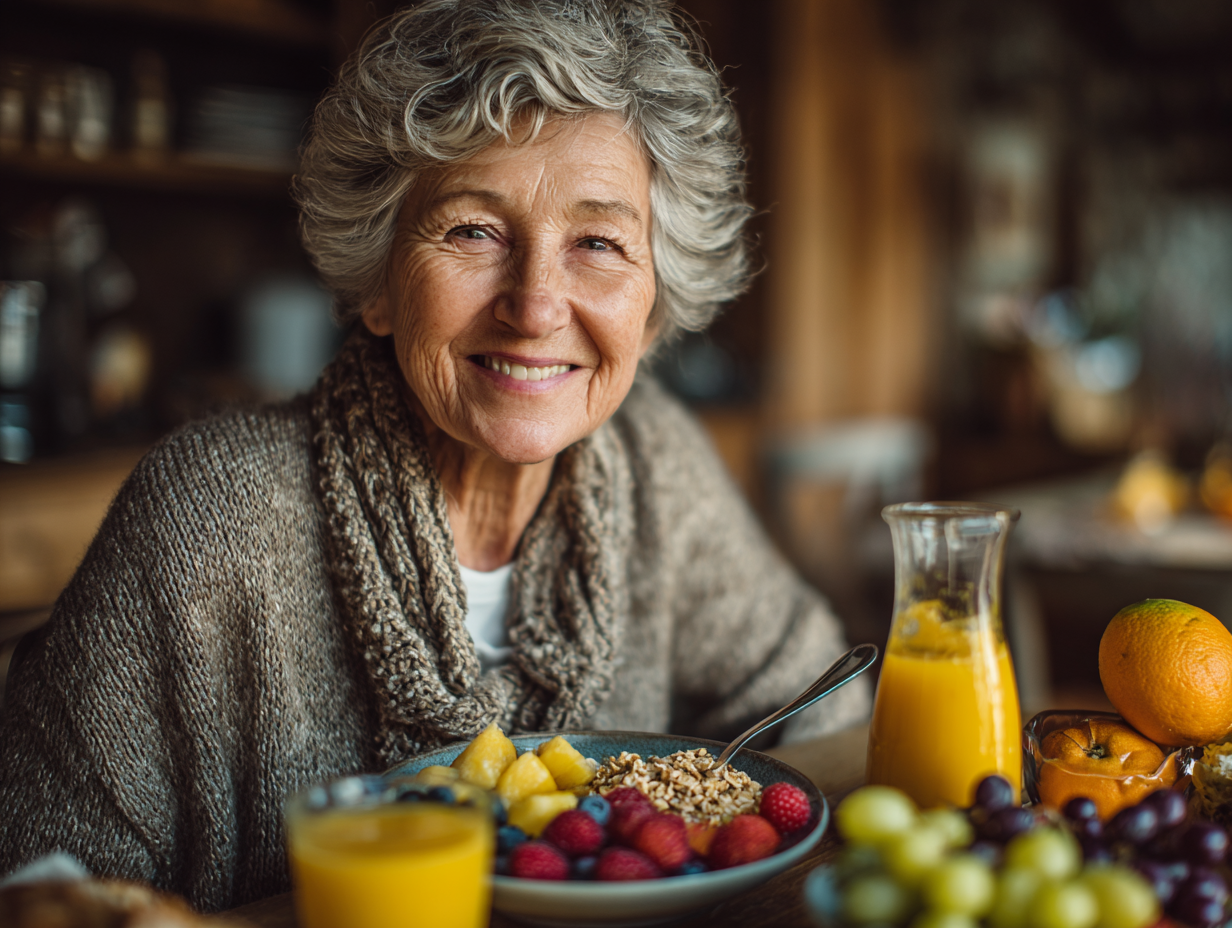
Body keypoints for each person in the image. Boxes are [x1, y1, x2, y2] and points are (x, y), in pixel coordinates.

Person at [0, 0, 868, 912]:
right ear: (377, 281)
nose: (535, 306)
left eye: (599, 243)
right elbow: (36, 880)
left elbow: (822, 716)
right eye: (472, 231)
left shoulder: (657, 459)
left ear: (652, 310)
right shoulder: (211, 513)